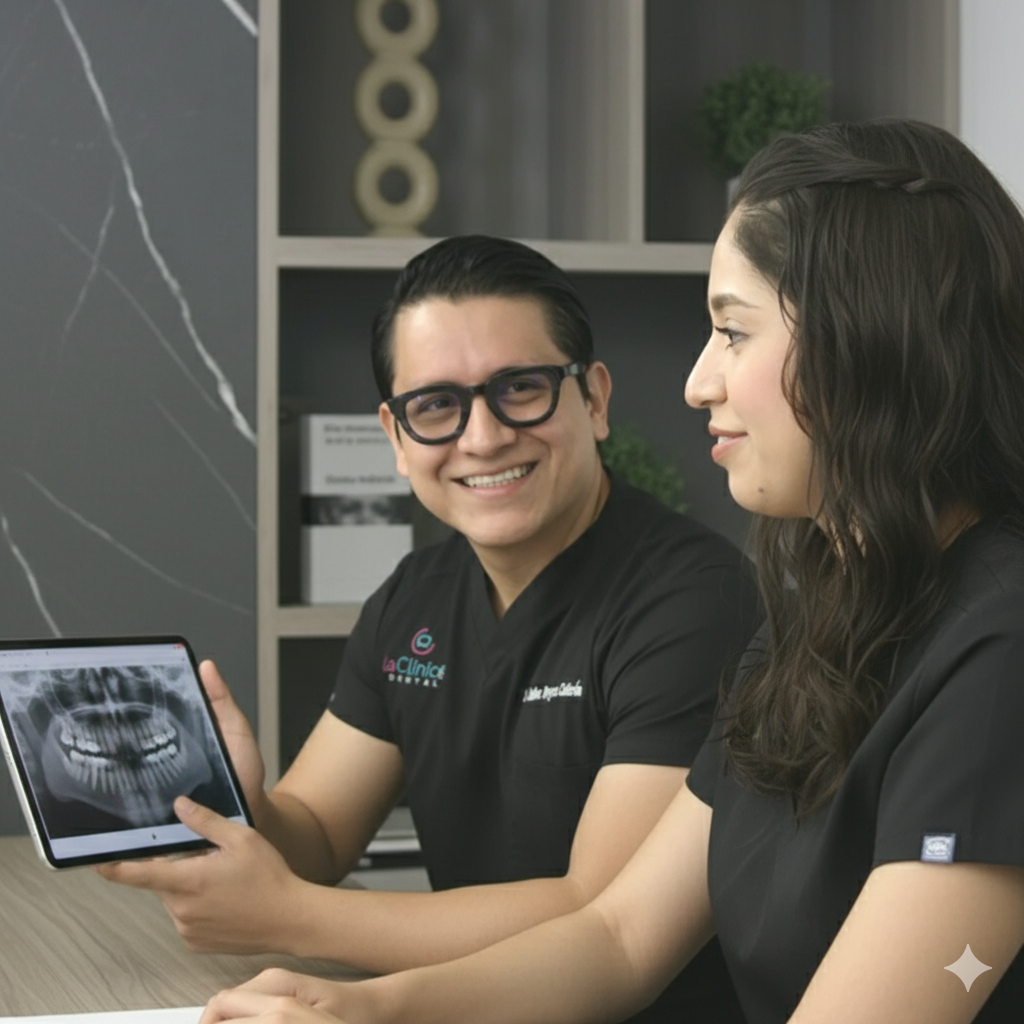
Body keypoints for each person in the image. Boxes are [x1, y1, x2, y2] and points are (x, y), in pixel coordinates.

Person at [197, 119, 1024, 1024]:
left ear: (872, 343)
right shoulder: (817, 617)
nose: (697, 384)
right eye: (437, 405)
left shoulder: (997, 648)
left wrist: (307, 929)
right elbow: (619, 935)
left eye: (732, 333)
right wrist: (359, 1011)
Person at [99, 235, 757, 1023]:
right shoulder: (414, 597)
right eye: (437, 406)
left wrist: (289, 914)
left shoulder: (694, 600)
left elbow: (602, 914)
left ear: (595, 400)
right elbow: (315, 834)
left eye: (520, 387)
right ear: (395, 436)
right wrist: (243, 810)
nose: (482, 437)